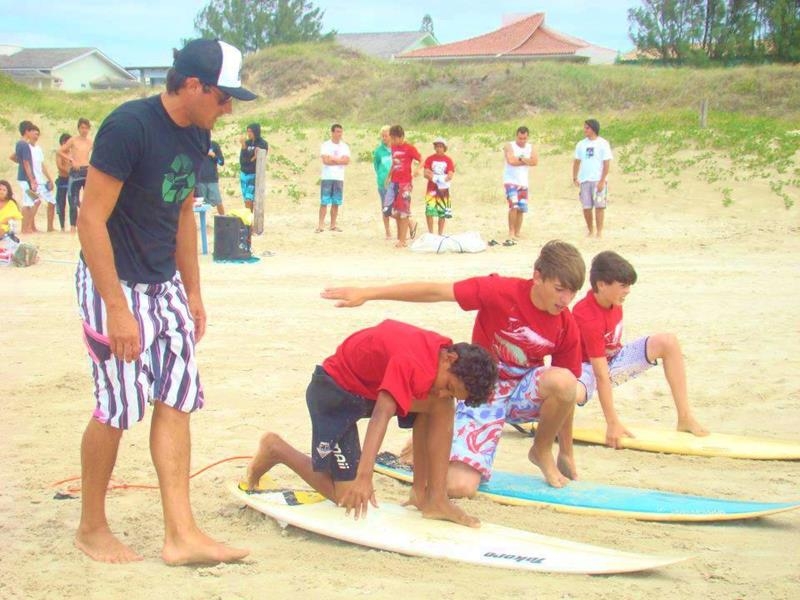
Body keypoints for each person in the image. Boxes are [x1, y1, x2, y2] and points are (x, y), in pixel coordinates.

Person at [74, 38, 255, 566]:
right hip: (114, 283)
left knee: (178, 397)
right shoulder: (129, 127)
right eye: (224, 98)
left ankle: (182, 534)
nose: (229, 110)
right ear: (194, 85)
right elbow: (90, 220)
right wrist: (116, 307)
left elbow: (180, 213)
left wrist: (193, 290)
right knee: (117, 404)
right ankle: (91, 527)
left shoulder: (198, 135)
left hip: (164, 285)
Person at [321, 240, 586, 492]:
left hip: (524, 393)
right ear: (538, 276)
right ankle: (423, 443)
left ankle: (540, 451)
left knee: (566, 382)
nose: (566, 299)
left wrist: (566, 451)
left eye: (573, 292)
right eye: (559, 289)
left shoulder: (566, 324)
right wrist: (368, 294)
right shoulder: (499, 291)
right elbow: (436, 291)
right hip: (481, 393)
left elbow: (566, 397)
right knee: (458, 487)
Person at [246, 319, 497, 526]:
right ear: (450, 359)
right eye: (449, 387)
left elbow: (433, 402)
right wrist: (364, 477)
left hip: (368, 390)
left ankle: (431, 497)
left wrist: (447, 394)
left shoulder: (442, 356)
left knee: (439, 406)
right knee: (346, 496)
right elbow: (381, 415)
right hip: (335, 392)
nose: (443, 393)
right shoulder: (411, 360)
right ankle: (275, 448)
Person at [572, 251, 709, 448]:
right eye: (623, 286)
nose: (628, 291)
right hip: (585, 369)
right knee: (570, 391)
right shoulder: (587, 316)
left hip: (613, 359)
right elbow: (600, 375)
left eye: (629, 286)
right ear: (601, 285)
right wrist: (612, 423)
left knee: (668, 342)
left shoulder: (612, 299)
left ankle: (685, 417)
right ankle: (538, 413)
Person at [572, 119, 612, 238]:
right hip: (585, 180)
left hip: (597, 179)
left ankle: (599, 231)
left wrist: (602, 180)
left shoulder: (603, 143)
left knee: (599, 207)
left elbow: (606, 164)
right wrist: (575, 177)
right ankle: (590, 230)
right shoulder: (581, 144)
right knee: (586, 207)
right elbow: (577, 162)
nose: (585, 130)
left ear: (593, 129)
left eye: (587, 128)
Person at [384, 125, 420, 248]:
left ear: (402, 137)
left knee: (403, 211)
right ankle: (411, 224)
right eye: (391, 138)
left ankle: (402, 240)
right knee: (388, 210)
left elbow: (422, 159)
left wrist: (417, 170)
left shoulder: (409, 148)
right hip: (394, 182)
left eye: (395, 139)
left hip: (405, 183)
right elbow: (394, 163)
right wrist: (388, 176)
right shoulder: (393, 147)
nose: (393, 141)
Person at [502, 126, 538, 246]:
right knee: (514, 205)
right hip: (511, 180)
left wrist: (521, 159)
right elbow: (511, 161)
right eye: (520, 138)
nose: (522, 141)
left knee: (521, 208)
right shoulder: (509, 145)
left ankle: (517, 232)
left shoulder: (531, 147)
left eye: (524, 138)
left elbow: (535, 162)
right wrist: (525, 159)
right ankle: (511, 231)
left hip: (523, 181)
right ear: (516, 136)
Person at [316, 123, 350, 232]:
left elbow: (346, 161)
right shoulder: (326, 145)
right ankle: (320, 225)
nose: (339, 134)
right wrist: (339, 160)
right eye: (337, 131)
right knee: (324, 201)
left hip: (339, 177)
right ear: (332, 132)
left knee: (336, 202)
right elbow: (325, 161)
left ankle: (333, 225)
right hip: (327, 177)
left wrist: (333, 159)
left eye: (341, 131)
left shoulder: (344, 146)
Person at [60, 117, 93, 220]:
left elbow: (97, 154)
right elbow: (60, 151)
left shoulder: (90, 142)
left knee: (88, 199)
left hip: (87, 170)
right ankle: (73, 226)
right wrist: (71, 160)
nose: (84, 130)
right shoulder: (73, 140)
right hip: (76, 171)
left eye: (86, 128)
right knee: (73, 199)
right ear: (78, 128)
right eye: (82, 128)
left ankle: (86, 222)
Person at [423, 137, 455, 236]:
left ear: (444, 148)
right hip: (431, 188)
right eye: (437, 146)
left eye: (441, 146)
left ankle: (440, 233)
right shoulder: (430, 159)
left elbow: (450, 175)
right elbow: (426, 173)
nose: (438, 148)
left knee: (442, 212)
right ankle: (431, 233)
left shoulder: (448, 160)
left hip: (443, 189)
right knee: (429, 211)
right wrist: (435, 177)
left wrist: (437, 177)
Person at [28, 125, 56, 232]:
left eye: (38, 134)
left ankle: (50, 227)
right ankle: (30, 226)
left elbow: (42, 165)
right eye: (35, 133)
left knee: (52, 201)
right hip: (33, 180)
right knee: (34, 202)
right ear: (29, 133)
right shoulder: (26, 147)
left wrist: (49, 178)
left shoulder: (38, 149)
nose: (36, 136)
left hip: (41, 180)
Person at [11, 121, 38, 233]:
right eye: (32, 131)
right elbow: (26, 162)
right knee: (28, 203)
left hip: (23, 177)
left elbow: (14, 157)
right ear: (27, 131)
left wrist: (21, 163)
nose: (33, 134)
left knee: (33, 200)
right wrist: (32, 179)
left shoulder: (19, 144)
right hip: (25, 178)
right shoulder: (24, 144)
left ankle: (26, 227)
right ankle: (25, 228)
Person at [239, 123, 268, 211]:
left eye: (251, 131)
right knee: (246, 200)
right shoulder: (246, 143)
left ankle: (250, 221)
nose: (249, 133)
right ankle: (249, 220)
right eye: (247, 131)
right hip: (244, 174)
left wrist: (252, 158)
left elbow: (258, 159)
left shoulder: (262, 143)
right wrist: (244, 146)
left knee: (249, 199)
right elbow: (243, 160)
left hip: (253, 174)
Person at [372, 125, 393, 239]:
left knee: (398, 207)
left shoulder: (396, 148)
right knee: (385, 208)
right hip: (383, 183)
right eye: (383, 136)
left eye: (386, 135)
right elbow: (376, 166)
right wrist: (382, 176)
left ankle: (405, 227)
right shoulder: (379, 151)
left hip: (396, 182)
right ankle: (387, 231)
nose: (384, 138)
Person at [196, 138, 226, 215]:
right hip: (200, 179)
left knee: (218, 201)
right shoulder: (196, 144)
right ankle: (203, 224)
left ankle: (224, 221)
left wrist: (213, 155)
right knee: (201, 205)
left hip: (212, 179)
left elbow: (221, 162)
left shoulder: (214, 145)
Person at [55, 133, 75, 232]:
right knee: (61, 202)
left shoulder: (72, 154)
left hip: (71, 180)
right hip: (63, 180)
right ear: (63, 142)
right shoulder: (59, 153)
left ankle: (73, 226)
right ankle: (62, 226)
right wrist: (69, 171)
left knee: (73, 202)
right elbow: (60, 166)